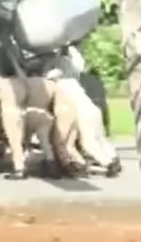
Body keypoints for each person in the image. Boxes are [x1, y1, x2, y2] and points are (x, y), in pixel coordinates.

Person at [45, 46, 120, 177]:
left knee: (88, 143)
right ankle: (113, 156)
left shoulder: (59, 84)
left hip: (83, 113)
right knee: (99, 137)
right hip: (93, 109)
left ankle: (108, 164)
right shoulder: (73, 81)